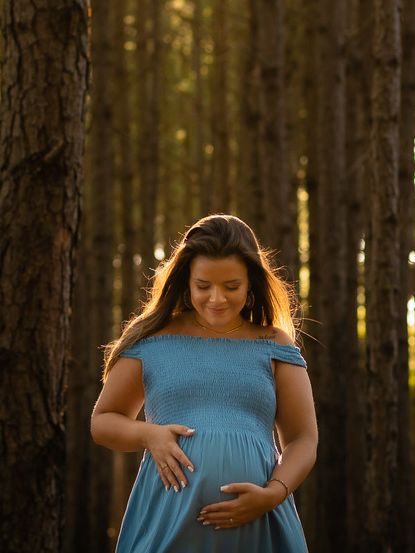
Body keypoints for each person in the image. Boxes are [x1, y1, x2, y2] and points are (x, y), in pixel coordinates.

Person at [92, 214, 318, 552]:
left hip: (260, 523)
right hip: (168, 519)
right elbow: (102, 422)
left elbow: (303, 439)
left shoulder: (275, 345)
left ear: (250, 282)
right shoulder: (151, 339)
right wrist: (148, 434)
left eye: (231, 286)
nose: (217, 299)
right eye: (203, 286)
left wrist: (273, 493)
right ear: (186, 280)